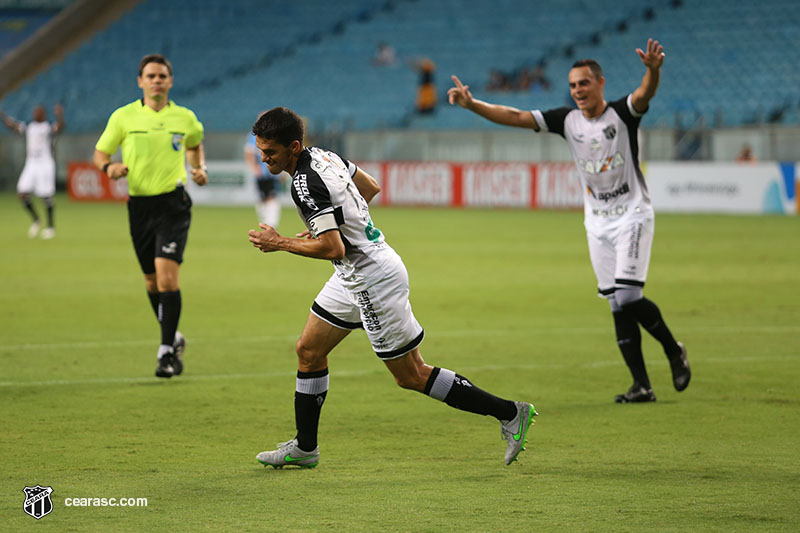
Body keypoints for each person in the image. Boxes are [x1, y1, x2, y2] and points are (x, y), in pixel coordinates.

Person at [248, 107, 536, 468]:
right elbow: (370, 187)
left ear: (292, 146)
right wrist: (340, 224)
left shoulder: (303, 183)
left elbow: (332, 248)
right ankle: (306, 448)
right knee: (308, 350)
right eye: (261, 150)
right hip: (353, 273)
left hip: (372, 278)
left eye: (270, 152)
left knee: (411, 375)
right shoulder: (325, 154)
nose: (264, 158)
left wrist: (281, 242)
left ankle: (511, 413)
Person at [448, 38, 690, 403]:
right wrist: (472, 105)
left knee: (627, 294)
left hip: (632, 215)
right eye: (573, 84)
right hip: (597, 223)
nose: (577, 90)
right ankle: (641, 386)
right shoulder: (567, 120)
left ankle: (674, 350)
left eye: (584, 83)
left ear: (600, 83)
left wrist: (653, 70)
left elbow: (644, 93)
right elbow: (515, 116)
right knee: (616, 303)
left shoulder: (622, 114)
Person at [93, 54, 208, 379]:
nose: (157, 81)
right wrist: (108, 167)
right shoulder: (124, 117)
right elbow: (101, 151)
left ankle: (166, 353)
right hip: (139, 206)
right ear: (140, 81)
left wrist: (198, 168)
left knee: (167, 277)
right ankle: (174, 336)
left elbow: (195, 144)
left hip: (173, 204)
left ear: (170, 81)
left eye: (162, 76)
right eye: (151, 76)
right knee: (151, 281)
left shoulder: (185, 118)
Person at [0, 104, 64, 239]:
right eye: (35, 111)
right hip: (31, 164)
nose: (35, 114)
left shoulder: (48, 127)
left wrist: (59, 114)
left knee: (46, 195)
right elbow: (12, 125)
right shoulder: (29, 127)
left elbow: (60, 127)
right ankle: (36, 219)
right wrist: (1, 115)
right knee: (22, 193)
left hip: (45, 164)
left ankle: (50, 227)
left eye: (38, 112)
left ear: (44, 114)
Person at [244, 133, 286, 227]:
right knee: (262, 198)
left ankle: (271, 224)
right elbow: (249, 152)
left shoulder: (277, 134)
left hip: (273, 172)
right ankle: (266, 222)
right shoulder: (254, 136)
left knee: (272, 196)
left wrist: (282, 171)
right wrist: (254, 168)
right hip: (261, 173)